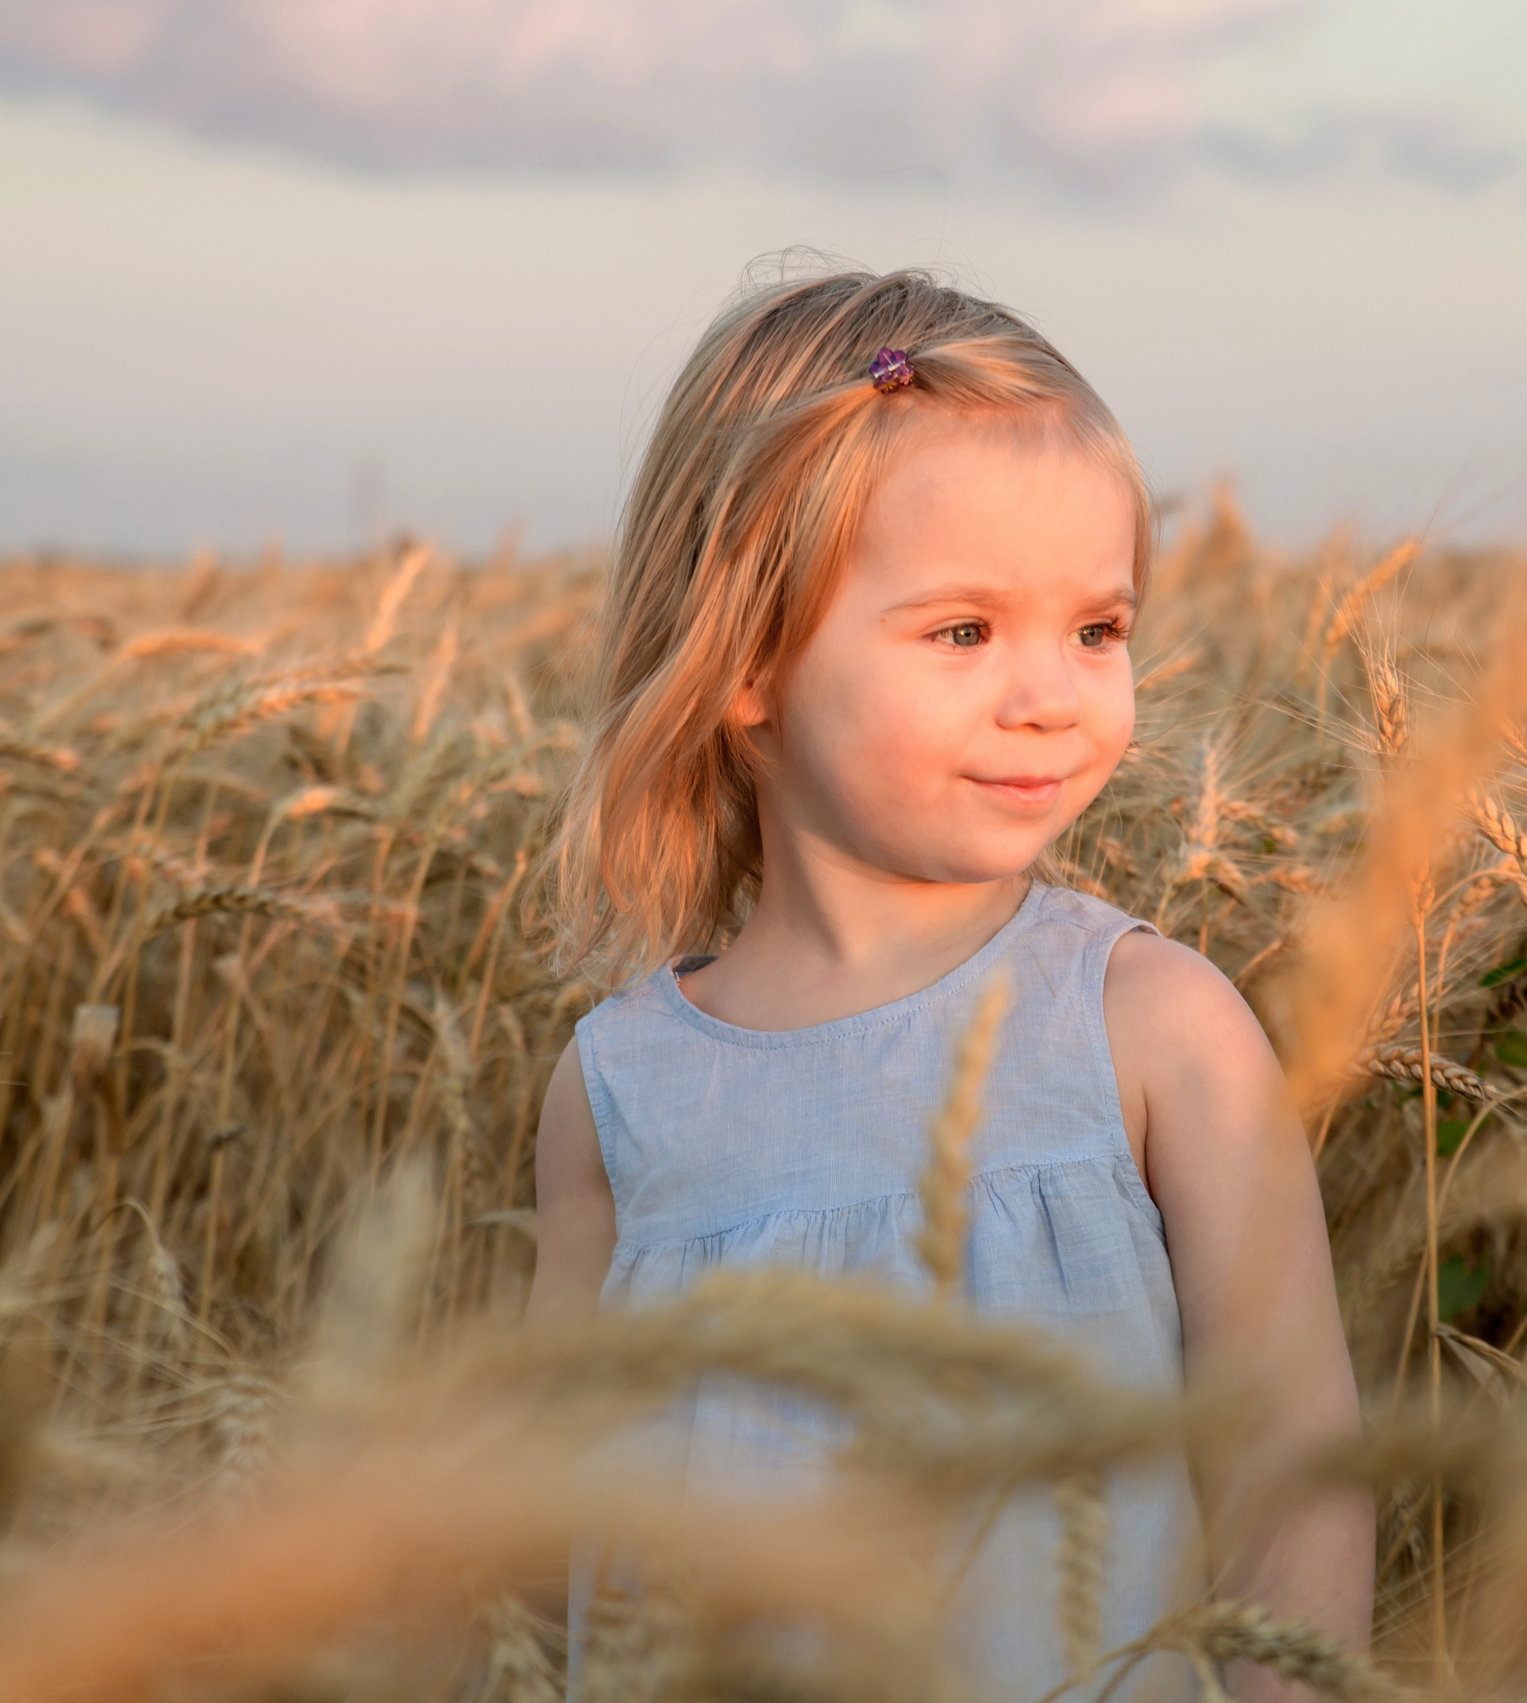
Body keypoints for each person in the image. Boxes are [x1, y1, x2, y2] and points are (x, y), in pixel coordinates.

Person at [526, 265, 1372, 1700]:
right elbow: (547, 1534)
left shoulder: (1151, 1032)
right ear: (745, 660)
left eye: (1097, 629)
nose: (1051, 697)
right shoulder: (619, 1092)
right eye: (964, 632)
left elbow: (1291, 1485)